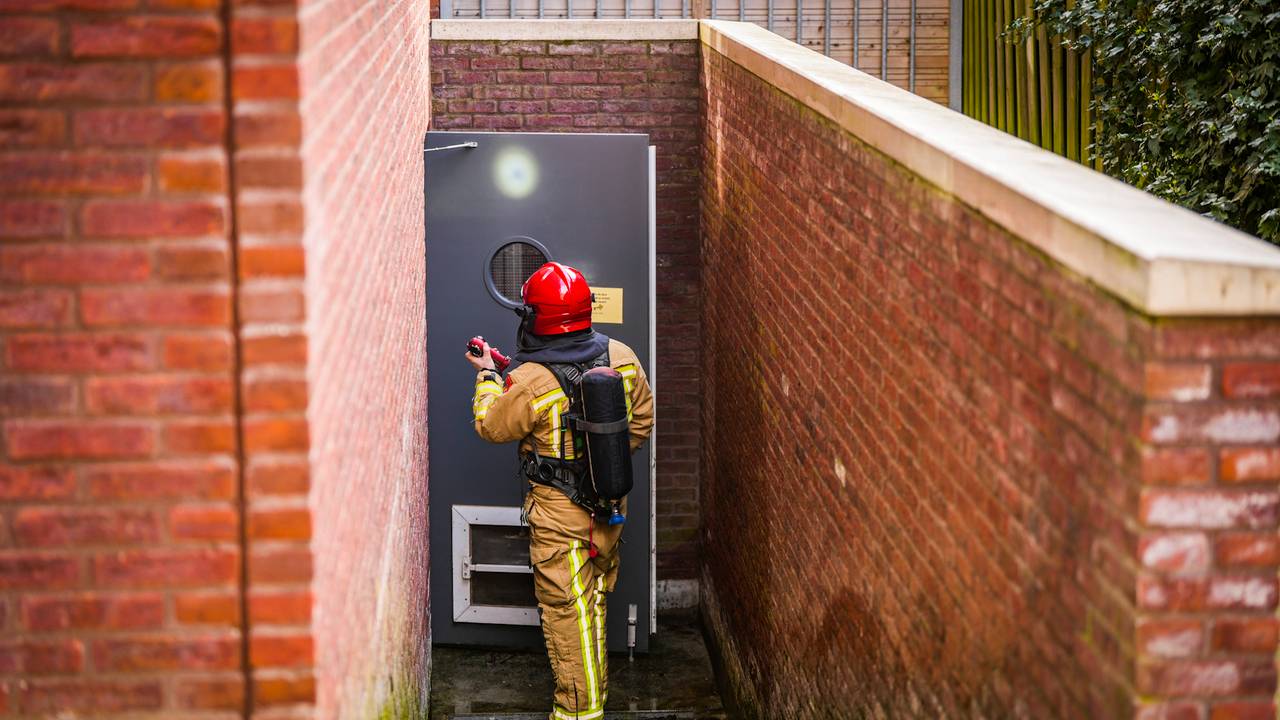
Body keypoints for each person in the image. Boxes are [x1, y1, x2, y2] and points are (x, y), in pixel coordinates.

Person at [465, 261, 654, 720]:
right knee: (592, 607)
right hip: (609, 507)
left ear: (536, 318)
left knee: (569, 620)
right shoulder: (623, 356)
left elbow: (491, 425)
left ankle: (578, 714)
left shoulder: (530, 383)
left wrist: (489, 377)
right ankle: (595, 695)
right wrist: (598, 463)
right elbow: (642, 421)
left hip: (559, 521)